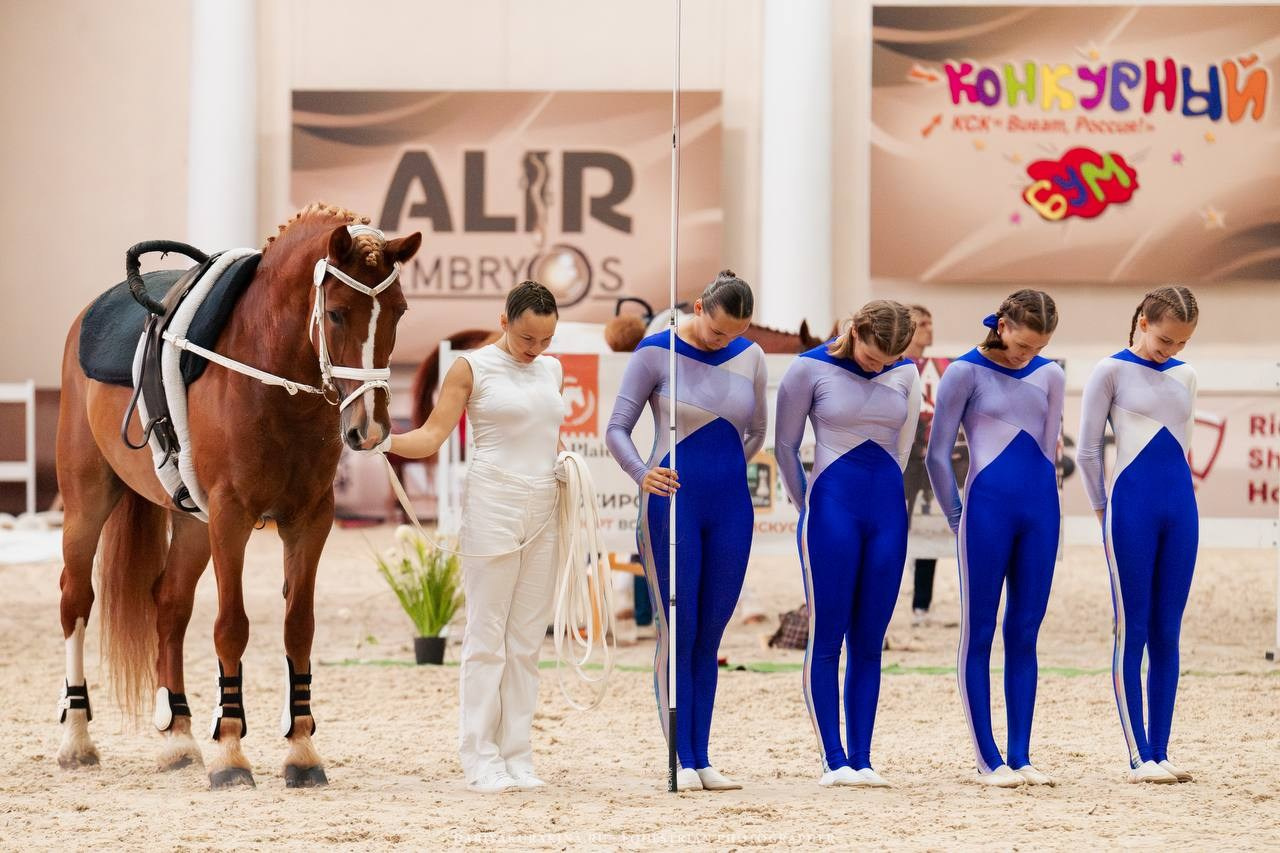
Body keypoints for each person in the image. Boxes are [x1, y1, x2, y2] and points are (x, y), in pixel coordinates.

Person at [387, 281, 565, 794]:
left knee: (527, 640)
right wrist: (386, 441)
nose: (536, 350)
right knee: (487, 637)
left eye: (546, 340)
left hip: (544, 502)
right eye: (528, 338)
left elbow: (544, 434)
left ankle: (518, 753)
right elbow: (431, 435)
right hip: (493, 502)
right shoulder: (471, 367)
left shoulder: (551, 369)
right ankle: (479, 756)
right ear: (504, 320)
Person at [605, 269, 767, 792]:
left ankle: (703, 755)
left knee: (711, 634)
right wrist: (641, 472)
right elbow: (617, 429)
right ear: (700, 307)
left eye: (737, 332)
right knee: (679, 630)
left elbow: (757, 430)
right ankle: (679, 755)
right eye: (719, 330)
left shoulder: (752, 357)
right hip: (671, 506)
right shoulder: (655, 352)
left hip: (731, 509)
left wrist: (722, 474)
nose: (727, 341)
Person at [774, 301, 921, 788]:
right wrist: (807, 506)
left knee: (869, 641)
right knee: (829, 636)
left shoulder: (905, 373)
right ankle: (833, 759)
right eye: (873, 356)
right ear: (854, 330)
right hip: (830, 511)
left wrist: (883, 503)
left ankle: (863, 756)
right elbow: (786, 446)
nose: (879, 367)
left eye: (888, 361)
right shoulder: (808, 368)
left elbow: (902, 449)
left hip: (886, 513)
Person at [925, 289, 1064, 788]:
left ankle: (1021, 755)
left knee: (1025, 630)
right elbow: (936, 455)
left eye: (1039, 346)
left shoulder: (1052, 375)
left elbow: (1049, 454)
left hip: (1040, 514)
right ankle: (989, 759)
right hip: (984, 515)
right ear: (1002, 325)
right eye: (1023, 343)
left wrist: (1054, 520)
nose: (1029, 354)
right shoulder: (963, 373)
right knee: (979, 631)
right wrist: (957, 517)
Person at [1075, 286, 1200, 784]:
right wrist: (1104, 511)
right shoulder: (1110, 371)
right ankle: (1138, 752)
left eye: (1182, 343)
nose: (1171, 351)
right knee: (1135, 629)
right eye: (1165, 339)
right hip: (1129, 511)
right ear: (1143, 321)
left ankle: (1162, 749)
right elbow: (1087, 452)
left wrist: (1184, 506)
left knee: (1169, 631)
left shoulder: (1186, 376)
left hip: (1180, 511)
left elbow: (1184, 448)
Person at [900, 304, 942, 626]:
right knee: (898, 527)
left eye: (930, 322)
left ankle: (921, 604)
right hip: (901, 459)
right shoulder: (892, 365)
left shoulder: (938, 371)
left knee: (930, 527)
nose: (928, 328)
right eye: (921, 323)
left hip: (929, 456)